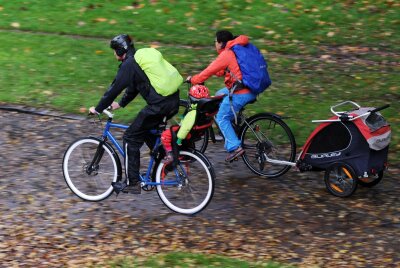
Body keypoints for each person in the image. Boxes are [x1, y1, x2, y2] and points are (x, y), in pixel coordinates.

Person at [89, 34, 181, 194]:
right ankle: (164, 162)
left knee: (130, 137)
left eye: (114, 51)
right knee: (144, 129)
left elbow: (113, 90)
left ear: (120, 51)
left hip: (159, 105)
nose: (114, 54)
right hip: (172, 100)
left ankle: (133, 183)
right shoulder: (138, 59)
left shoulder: (129, 65)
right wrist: (120, 104)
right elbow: (135, 86)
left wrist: (97, 109)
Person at [186, 30, 257, 162]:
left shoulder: (227, 54)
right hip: (250, 87)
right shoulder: (237, 48)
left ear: (220, 43)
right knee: (219, 95)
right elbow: (222, 70)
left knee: (221, 117)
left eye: (215, 41)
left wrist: (194, 79)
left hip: (242, 92)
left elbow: (208, 71)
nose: (215, 44)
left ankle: (235, 147)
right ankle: (234, 129)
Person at [160, 84, 210, 164]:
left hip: (185, 134)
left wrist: (179, 139)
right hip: (195, 132)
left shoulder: (192, 113)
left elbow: (185, 128)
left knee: (165, 136)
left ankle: (170, 154)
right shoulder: (203, 110)